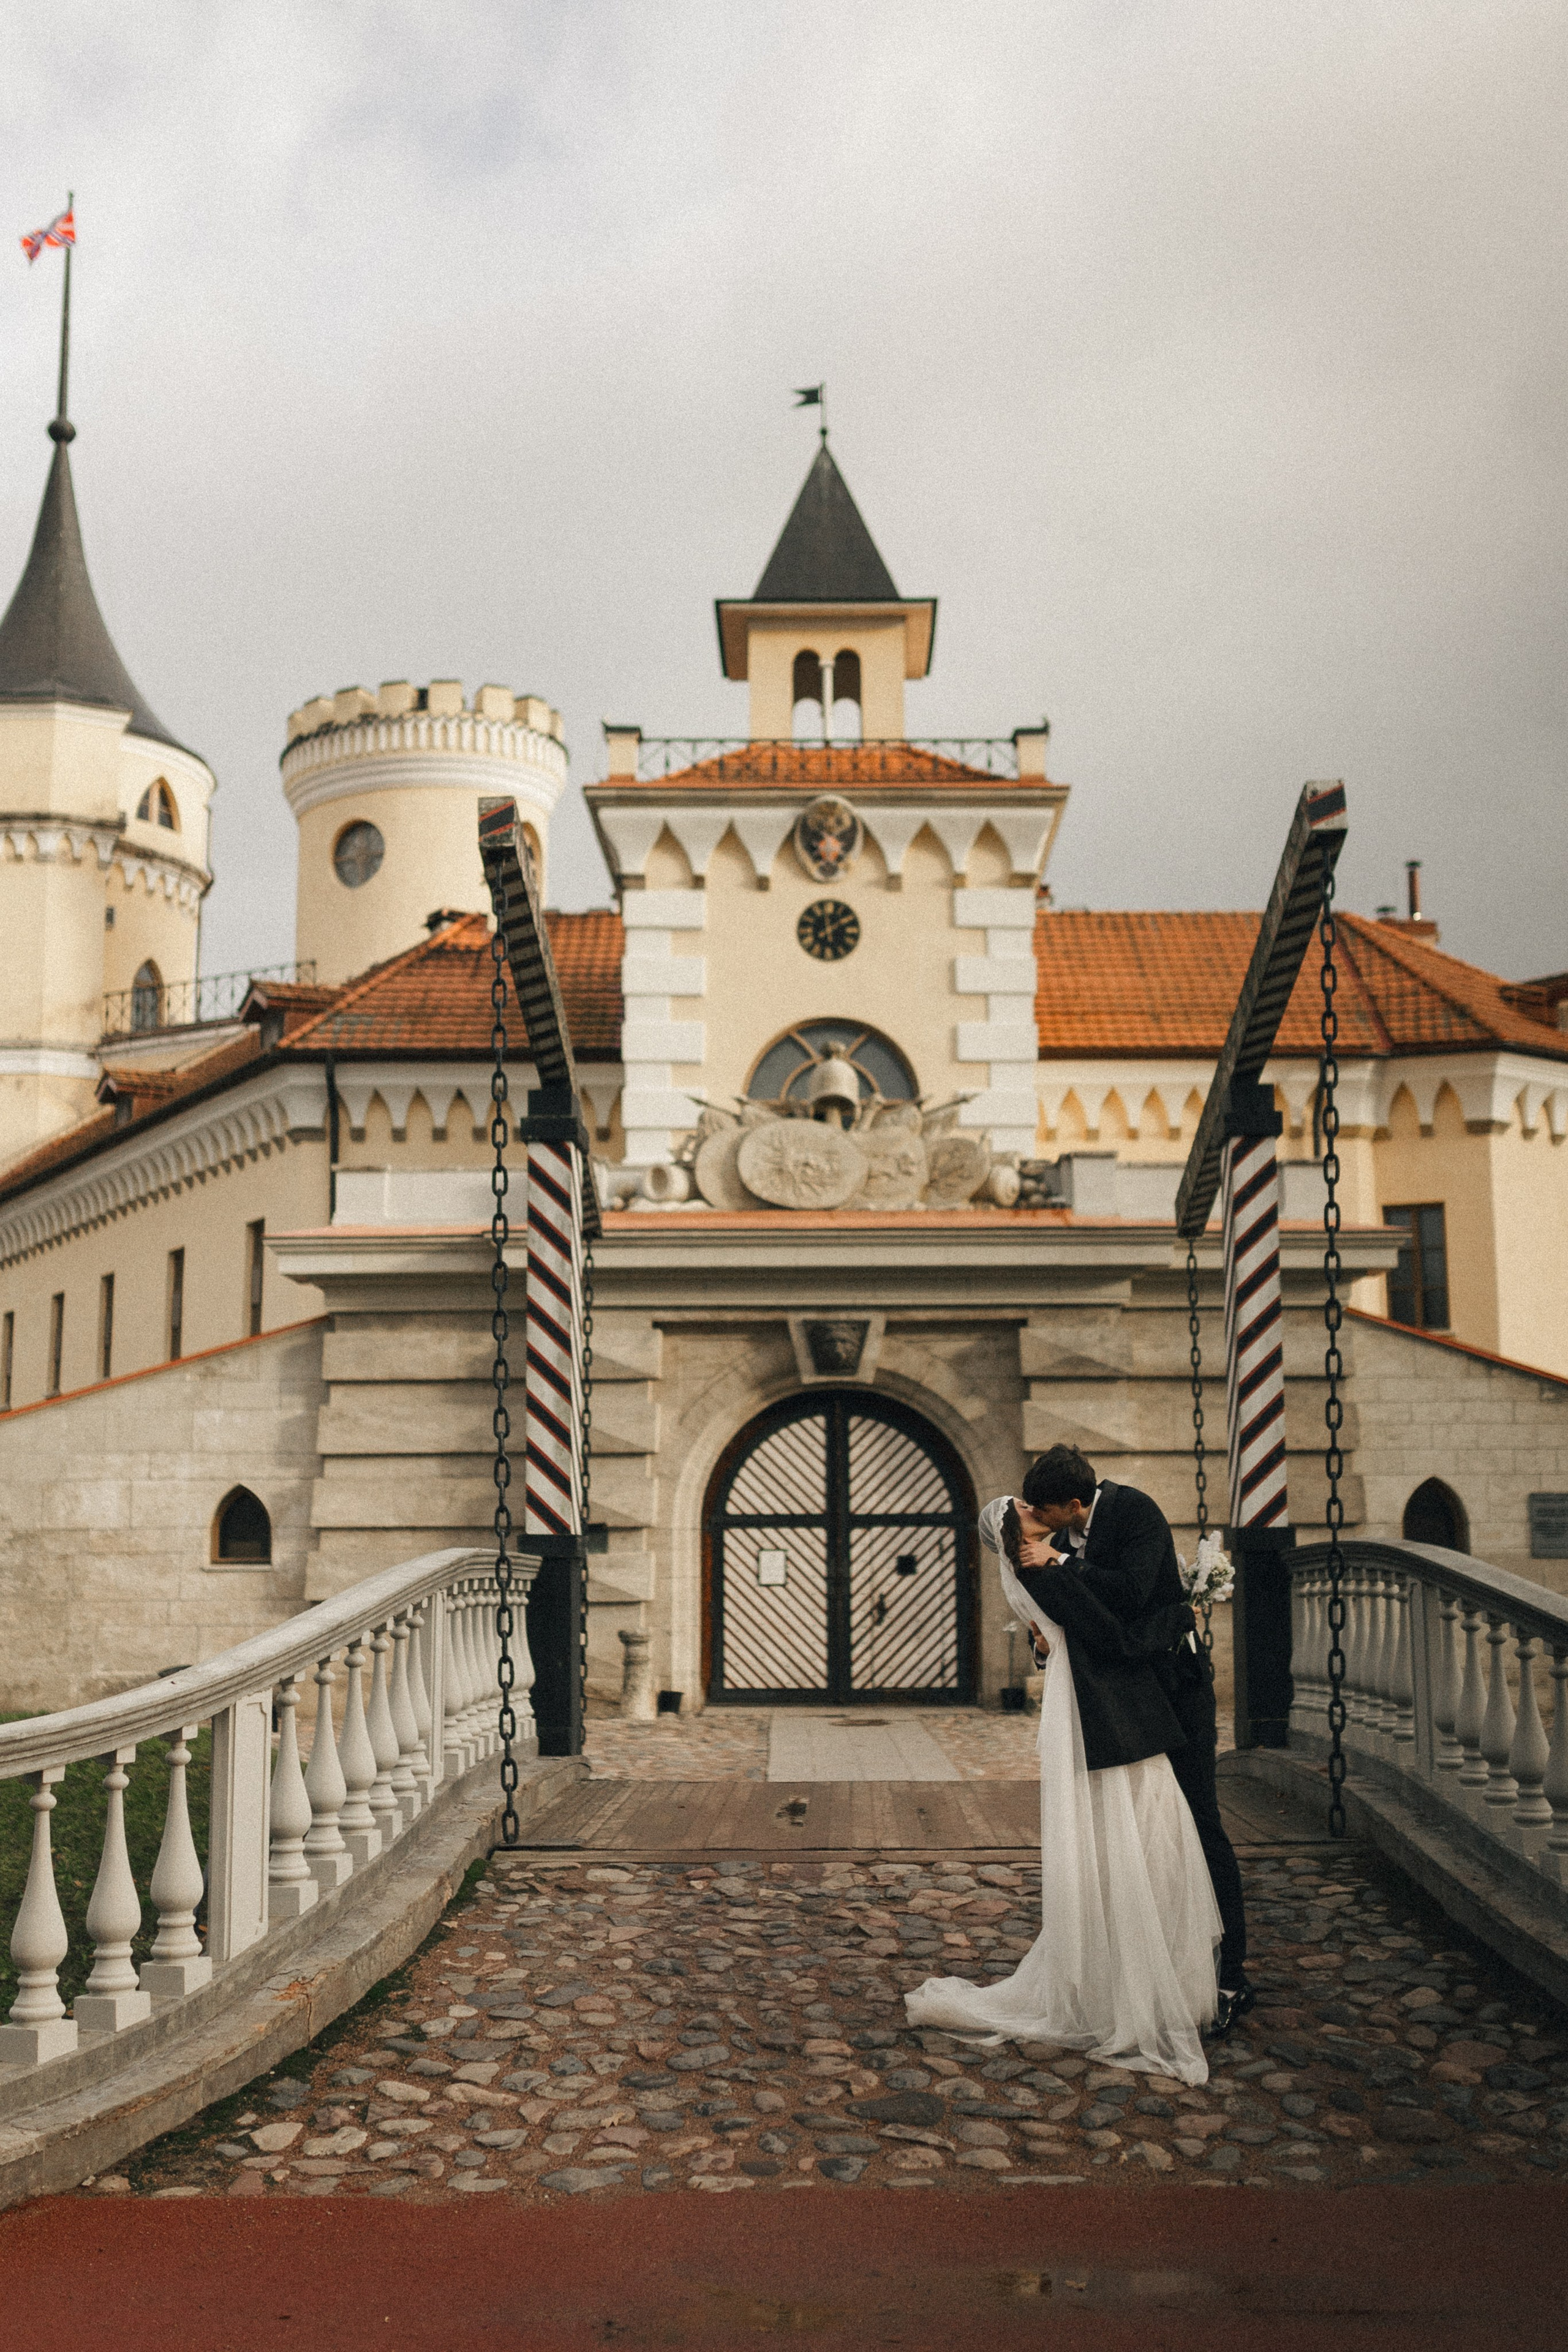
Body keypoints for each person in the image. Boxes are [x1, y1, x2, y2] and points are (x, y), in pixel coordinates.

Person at [905, 1450, 1223, 2082]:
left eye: (1034, 1504)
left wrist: (1059, 1603)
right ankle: (1144, 1984)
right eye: (1023, 1512)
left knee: (1127, 1843)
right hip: (1111, 1712)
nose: (1030, 1512)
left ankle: (1129, 1971)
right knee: (1142, 1839)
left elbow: (1099, 1602)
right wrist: (1174, 1618)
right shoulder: (1042, 1568)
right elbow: (1108, 1631)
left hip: (1100, 1704)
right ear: (1016, 1533)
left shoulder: (1079, 1544)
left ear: (1072, 1505)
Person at [1008, 1446, 1254, 2037]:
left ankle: (1231, 1974)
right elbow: (1077, 1618)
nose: (1040, 1525)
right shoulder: (1063, 1540)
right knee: (1147, 1829)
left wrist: (1060, 1566)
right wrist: (1042, 1645)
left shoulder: (1135, 1512)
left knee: (1200, 1820)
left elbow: (1134, 1592)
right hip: (1126, 1702)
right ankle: (1166, 1959)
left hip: (1176, 1687)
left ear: (1074, 1504)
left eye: (1047, 1512)